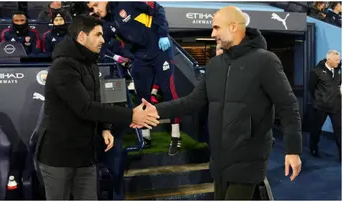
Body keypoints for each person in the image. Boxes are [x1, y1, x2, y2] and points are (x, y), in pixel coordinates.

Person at [137, 6, 303, 200]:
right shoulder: (215, 65)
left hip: (248, 159)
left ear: (234, 26)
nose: (212, 33)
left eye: (216, 27)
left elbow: (288, 105)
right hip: (219, 159)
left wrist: (292, 150)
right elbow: (191, 102)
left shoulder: (265, 61)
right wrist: (154, 110)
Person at [36, 15, 159, 200]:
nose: (103, 39)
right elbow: (85, 107)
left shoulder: (91, 62)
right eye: (98, 34)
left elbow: (96, 99)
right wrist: (131, 115)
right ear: (82, 37)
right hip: (58, 157)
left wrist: (104, 127)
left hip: (85, 155)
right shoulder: (63, 66)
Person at [88, 1, 182, 156]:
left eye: (96, 5)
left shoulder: (128, 2)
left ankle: (176, 136)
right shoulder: (105, 24)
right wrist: (117, 57)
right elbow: (101, 45)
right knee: (142, 96)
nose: (95, 10)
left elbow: (157, 8)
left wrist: (163, 34)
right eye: (92, 8)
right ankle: (145, 137)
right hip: (140, 58)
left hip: (160, 50)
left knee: (169, 92)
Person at [309, 50, 341, 160]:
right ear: (329, 60)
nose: (339, 61)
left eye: (339, 59)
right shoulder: (316, 71)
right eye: (336, 60)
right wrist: (318, 99)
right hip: (321, 106)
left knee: (339, 130)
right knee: (316, 129)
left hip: (336, 106)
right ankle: (313, 148)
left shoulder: (338, 69)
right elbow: (311, 87)